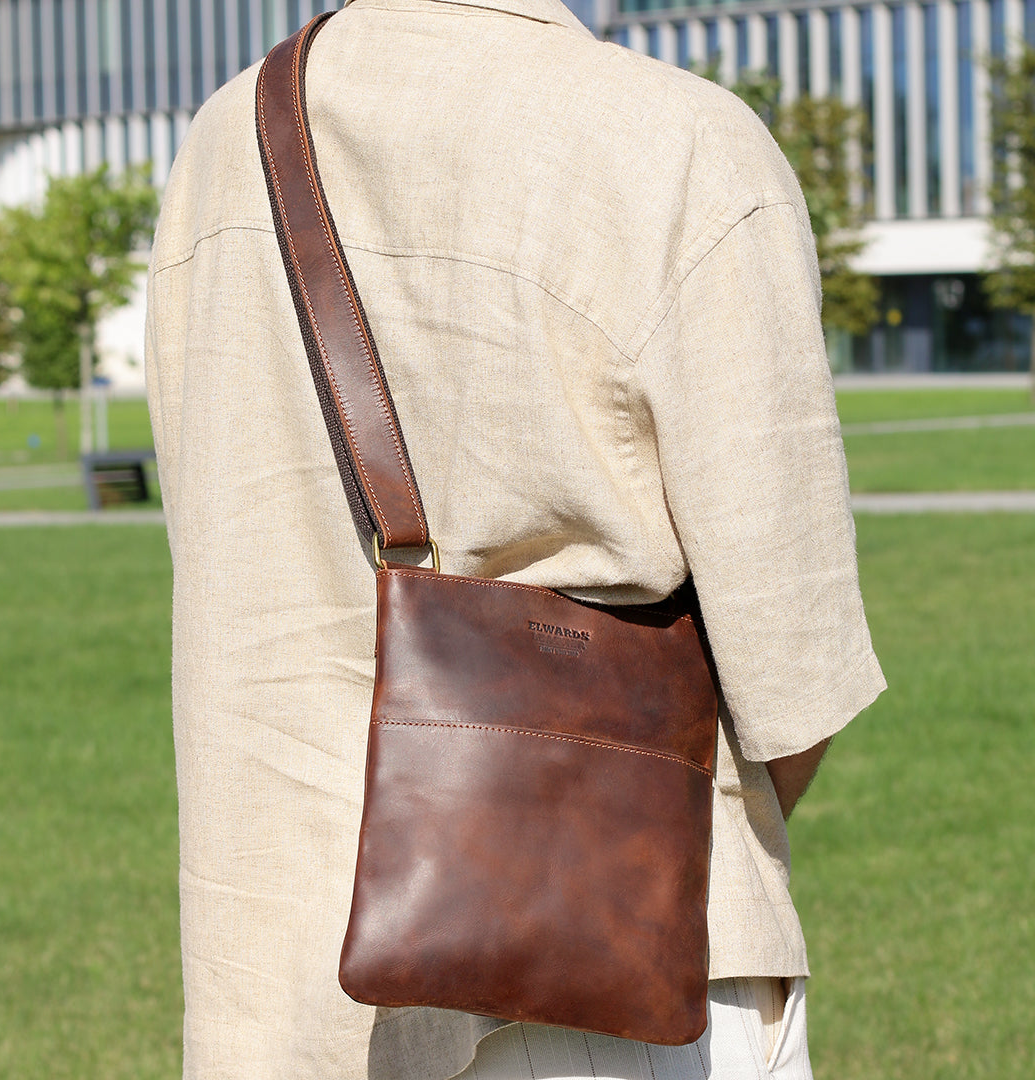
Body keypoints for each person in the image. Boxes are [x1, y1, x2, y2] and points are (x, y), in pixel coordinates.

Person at [144, 0, 886, 1076]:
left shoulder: (227, 140)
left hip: (287, 984)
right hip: (609, 960)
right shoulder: (677, 144)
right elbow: (793, 677)